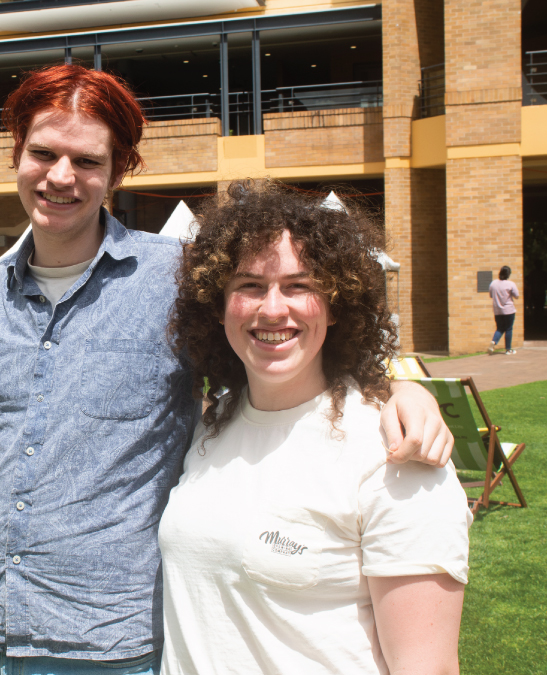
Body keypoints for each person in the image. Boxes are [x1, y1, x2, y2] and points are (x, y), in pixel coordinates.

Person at [0, 64, 455, 675]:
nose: (61, 176)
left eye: (88, 161)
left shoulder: (176, 279)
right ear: (17, 153)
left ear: (118, 171)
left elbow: (279, 338)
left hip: (106, 642)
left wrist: (397, 391)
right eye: (43, 153)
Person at [160, 180, 470, 675]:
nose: (273, 308)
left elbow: (426, 666)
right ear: (218, 309)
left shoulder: (397, 457)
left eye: (299, 285)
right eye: (249, 285)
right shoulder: (210, 429)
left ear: (335, 303)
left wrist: (399, 392)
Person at [488, 265, 519, 354]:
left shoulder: (493, 283)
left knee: (500, 328)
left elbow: (491, 295)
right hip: (509, 310)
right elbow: (516, 296)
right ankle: (508, 349)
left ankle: (494, 341)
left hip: (497, 311)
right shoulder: (510, 284)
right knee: (508, 329)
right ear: (508, 274)